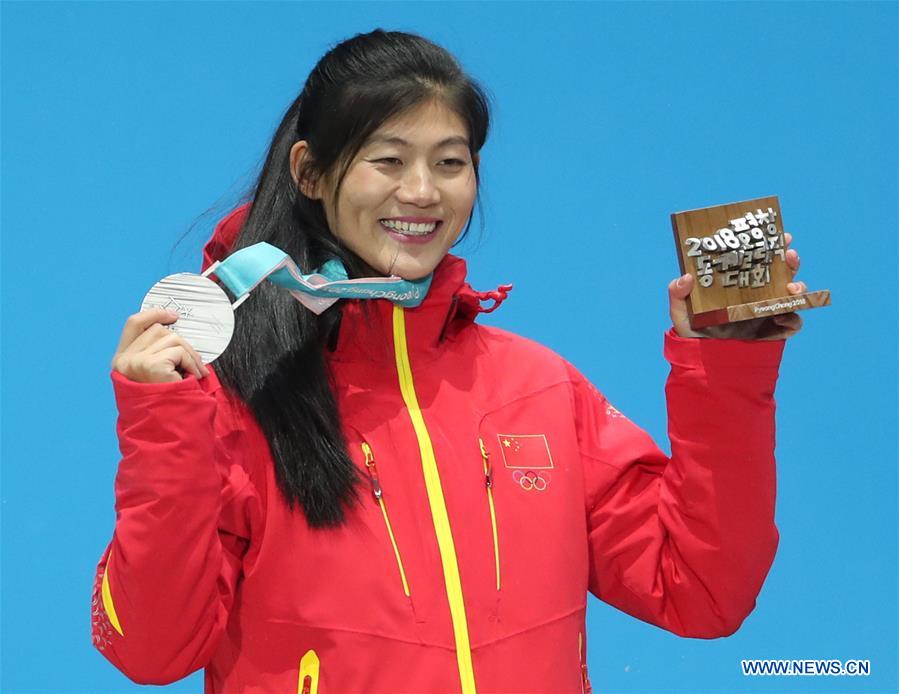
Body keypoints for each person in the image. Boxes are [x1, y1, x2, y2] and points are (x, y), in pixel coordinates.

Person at [91, 29, 807, 694]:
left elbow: (698, 589)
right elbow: (154, 651)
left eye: (449, 162)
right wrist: (161, 425)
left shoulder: (537, 389)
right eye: (388, 160)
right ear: (310, 173)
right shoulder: (234, 397)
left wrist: (726, 373)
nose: (423, 192)